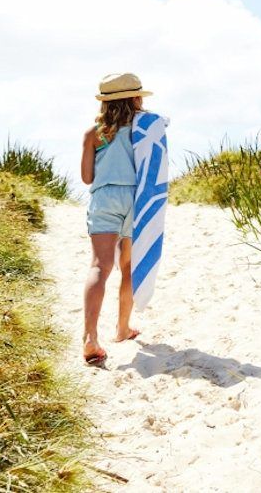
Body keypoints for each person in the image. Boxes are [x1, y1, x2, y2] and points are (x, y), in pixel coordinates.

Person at [80, 73, 149, 365]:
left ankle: (90, 337)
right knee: (128, 266)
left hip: (105, 198)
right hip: (135, 199)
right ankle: (122, 328)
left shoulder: (93, 133)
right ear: (135, 99)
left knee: (99, 266)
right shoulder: (143, 130)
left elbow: (87, 178)